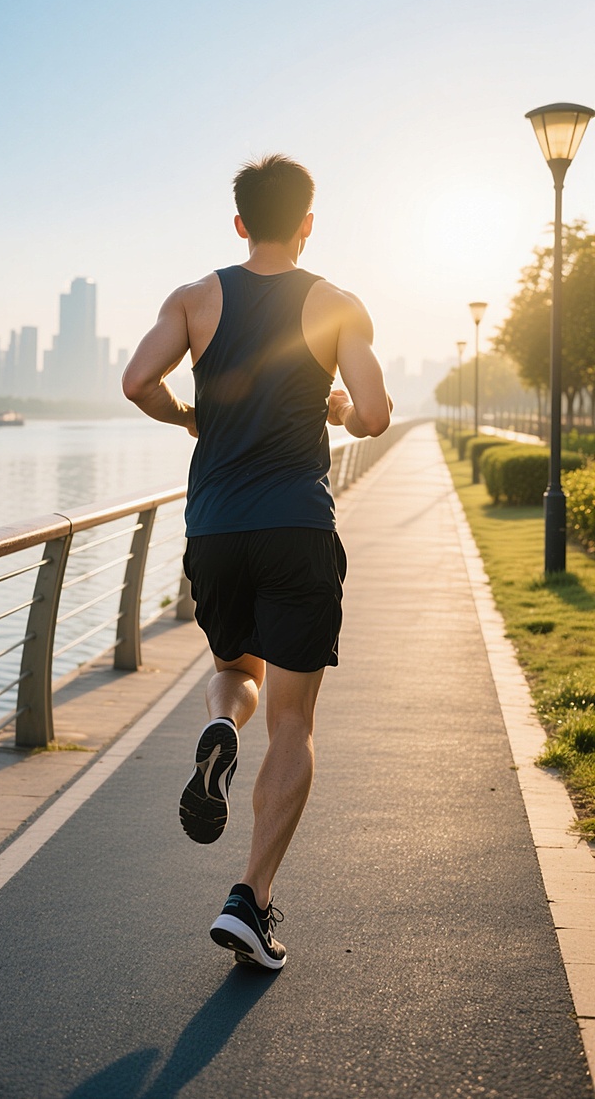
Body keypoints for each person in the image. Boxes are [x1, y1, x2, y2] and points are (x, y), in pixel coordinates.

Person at [123, 154, 392, 970]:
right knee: (294, 722)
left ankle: (216, 730)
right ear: (308, 222)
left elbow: (138, 381)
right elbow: (375, 415)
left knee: (235, 670)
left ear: (239, 223)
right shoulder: (337, 304)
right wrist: (340, 408)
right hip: (297, 528)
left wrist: (192, 419)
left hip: (215, 530)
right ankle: (252, 900)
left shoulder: (196, 297)